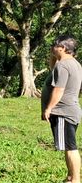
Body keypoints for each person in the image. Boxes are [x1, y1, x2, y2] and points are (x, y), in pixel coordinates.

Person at [43, 36, 82, 183]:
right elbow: (53, 70)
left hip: (63, 112)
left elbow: (59, 89)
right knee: (68, 145)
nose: (52, 48)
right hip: (71, 110)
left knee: (71, 147)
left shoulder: (63, 66)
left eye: (55, 46)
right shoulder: (74, 64)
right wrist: (54, 57)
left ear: (63, 48)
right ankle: (70, 177)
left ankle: (75, 180)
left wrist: (49, 108)